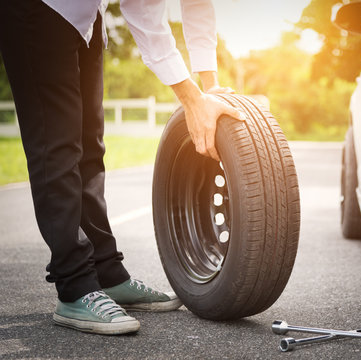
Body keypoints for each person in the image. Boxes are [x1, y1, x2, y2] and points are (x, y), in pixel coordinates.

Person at [0, 0, 244, 335]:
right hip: (39, 10)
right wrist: (191, 99)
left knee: (89, 149)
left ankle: (106, 273)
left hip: (87, 15)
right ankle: (74, 287)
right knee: (56, 148)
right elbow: (142, 9)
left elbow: (197, 3)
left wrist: (210, 86)